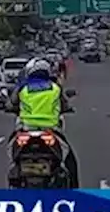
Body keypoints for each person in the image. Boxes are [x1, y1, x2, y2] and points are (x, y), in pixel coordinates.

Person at [7, 58, 79, 187]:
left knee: (13, 154)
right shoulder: (55, 88)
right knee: (70, 163)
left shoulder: (22, 88)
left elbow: (11, 104)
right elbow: (64, 104)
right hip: (51, 130)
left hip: (26, 129)